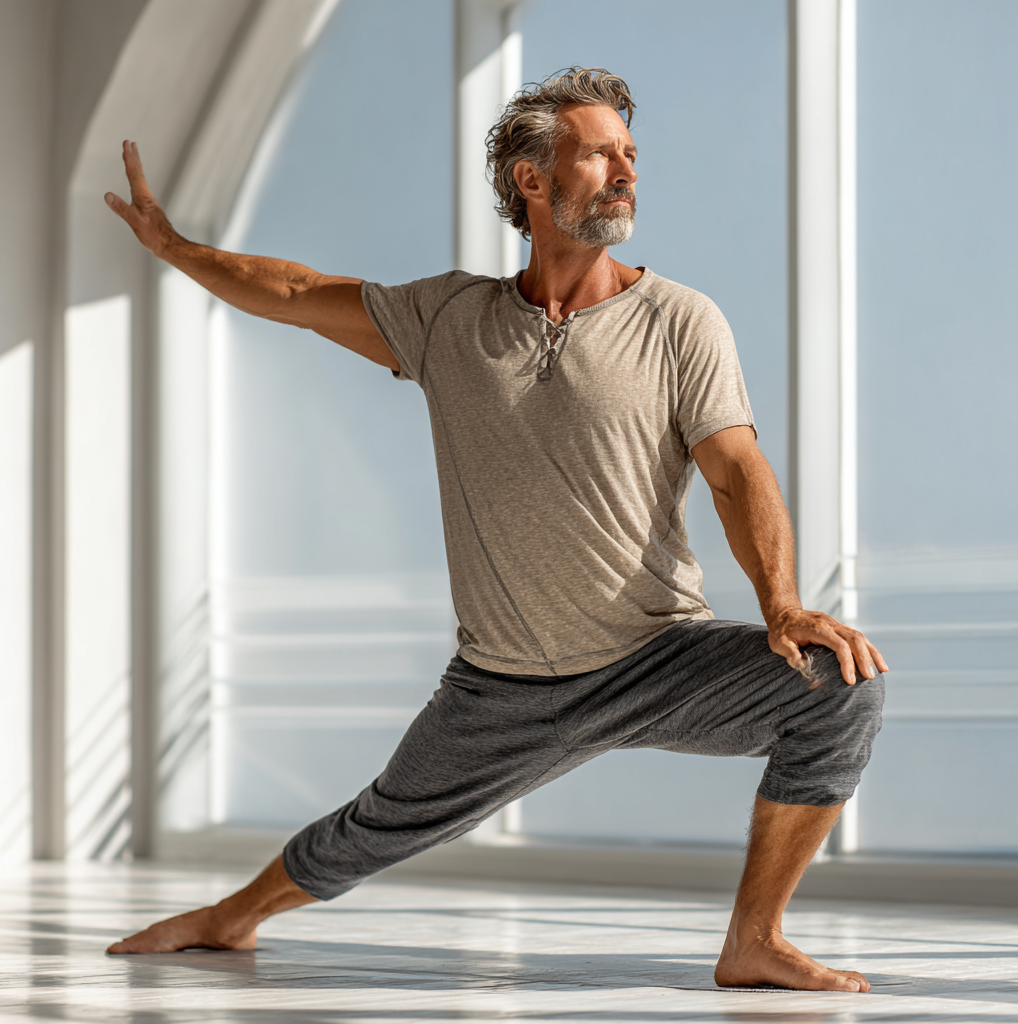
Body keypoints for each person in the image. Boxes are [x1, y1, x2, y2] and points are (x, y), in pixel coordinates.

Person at [104, 67, 887, 993]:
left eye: (631, 154)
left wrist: (782, 604)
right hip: (501, 686)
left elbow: (735, 469)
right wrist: (173, 247)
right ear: (532, 179)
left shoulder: (681, 321)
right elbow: (294, 290)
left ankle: (755, 940)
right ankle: (230, 920)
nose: (627, 171)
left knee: (838, 688)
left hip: (654, 656)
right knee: (378, 824)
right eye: (600, 154)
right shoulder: (447, 318)